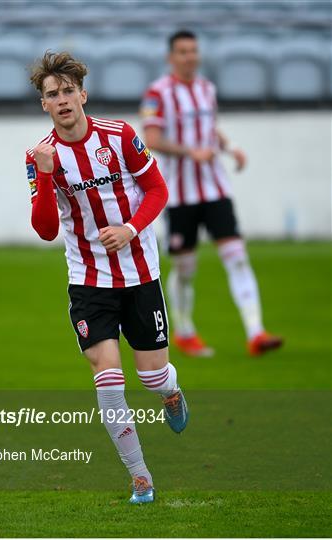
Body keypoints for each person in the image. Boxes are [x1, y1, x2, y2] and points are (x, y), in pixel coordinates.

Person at [26, 51, 189, 504]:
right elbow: (44, 229)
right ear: (44, 104)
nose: (61, 101)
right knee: (108, 377)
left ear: (83, 94)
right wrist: (43, 177)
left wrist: (131, 229)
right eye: (51, 94)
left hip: (140, 274)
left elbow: (157, 189)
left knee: (153, 377)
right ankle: (140, 476)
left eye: (67, 91)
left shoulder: (120, 137)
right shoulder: (39, 156)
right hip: (88, 280)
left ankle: (171, 392)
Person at [141, 30, 283, 357]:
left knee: (237, 256)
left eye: (193, 51)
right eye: (183, 51)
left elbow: (210, 129)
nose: (190, 56)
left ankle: (256, 332)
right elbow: (151, 138)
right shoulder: (158, 93)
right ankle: (185, 331)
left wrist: (230, 147)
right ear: (170, 57)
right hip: (178, 194)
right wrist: (190, 152)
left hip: (215, 188)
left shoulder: (207, 89)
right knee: (186, 268)